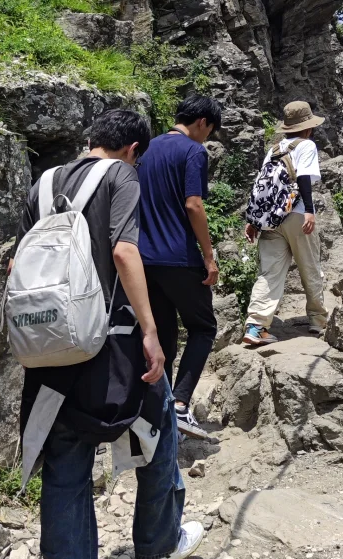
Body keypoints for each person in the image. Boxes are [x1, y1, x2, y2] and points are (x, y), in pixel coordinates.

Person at [12, 107, 204, 559]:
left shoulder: (44, 183)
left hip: (51, 350)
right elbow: (123, 251)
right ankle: (156, 546)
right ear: (134, 150)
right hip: (112, 347)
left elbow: (17, 267)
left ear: (89, 139)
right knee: (159, 431)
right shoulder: (121, 177)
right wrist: (149, 330)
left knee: (64, 471)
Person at [138, 94, 222, 439]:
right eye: (210, 131)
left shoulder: (145, 149)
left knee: (164, 337)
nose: (207, 138)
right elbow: (193, 205)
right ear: (202, 122)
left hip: (143, 261)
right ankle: (181, 406)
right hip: (179, 258)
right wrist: (208, 254)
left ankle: (158, 411)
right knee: (203, 328)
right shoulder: (193, 152)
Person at [242, 100, 328, 347]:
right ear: (308, 128)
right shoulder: (307, 145)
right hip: (297, 215)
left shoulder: (274, 149)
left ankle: (256, 326)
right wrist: (309, 211)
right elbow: (303, 178)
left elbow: (262, 186)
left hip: (270, 220)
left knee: (269, 273)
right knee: (309, 266)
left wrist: (254, 220)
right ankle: (317, 321)